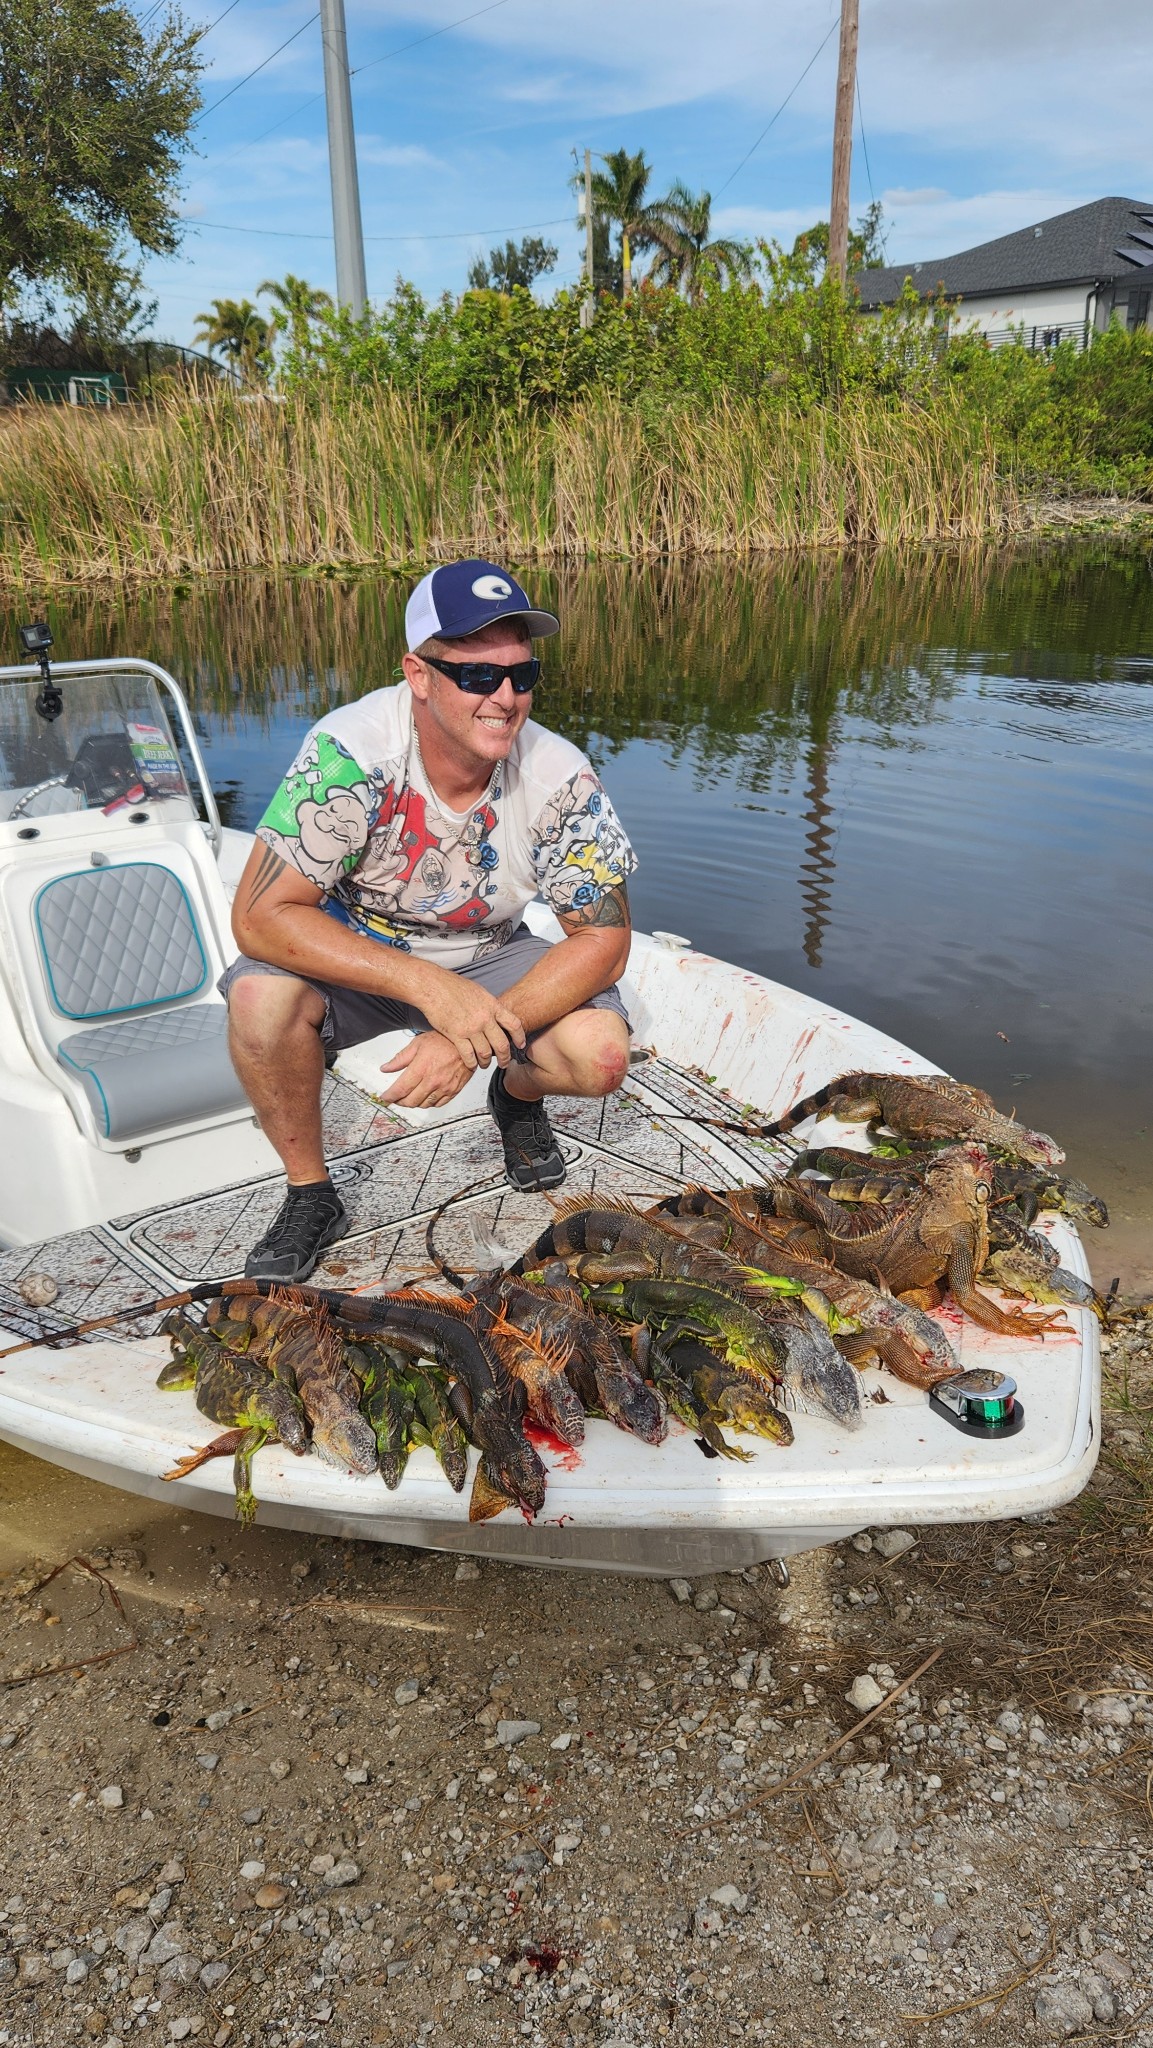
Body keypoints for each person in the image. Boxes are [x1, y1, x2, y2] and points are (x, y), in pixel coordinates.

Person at [221, 558, 636, 1283]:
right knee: (259, 998)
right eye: (476, 677)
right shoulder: (351, 753)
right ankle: (310, 1192)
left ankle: (515, 1093)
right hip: (360, 946)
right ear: (418, 675)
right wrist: (426, 989)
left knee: (599, 1058)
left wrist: (477, 1033)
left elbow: (604, 939)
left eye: (521, 674)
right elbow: (258, 917)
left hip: (490, 950)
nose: (504, 698)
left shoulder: (558, 775)